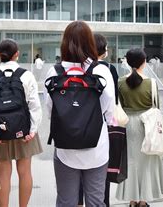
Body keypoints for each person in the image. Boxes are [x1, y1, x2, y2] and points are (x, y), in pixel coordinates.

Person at [44, 21, 115, 207]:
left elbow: (50, 109)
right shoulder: (101, 71)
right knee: (96, 201)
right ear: (90, 42)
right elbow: (109, 111)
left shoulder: (55, 71)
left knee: (66, 201)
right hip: (97, 147)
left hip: (65, 148)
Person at [0, 39, 43, 207]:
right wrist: (32, 130)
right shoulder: (26, 75)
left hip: (0, 130)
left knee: (3, 173)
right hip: (24, 130)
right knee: (25, 172)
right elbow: (34, 105)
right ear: (16, 54)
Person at [116, 48, 163, 207]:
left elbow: (120, 106)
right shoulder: (151, 83)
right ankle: (143, 201)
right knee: (146, 162)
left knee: (130, 161)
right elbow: (156, 105)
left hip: (128, 125)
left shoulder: (120, 82)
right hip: (147, 125)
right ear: (144, 62)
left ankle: (132, 201)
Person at [77, 33, 119, 207]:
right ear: (103, 50)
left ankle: (79, 201)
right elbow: (112, 101)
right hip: (101, 126)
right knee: (101, 174)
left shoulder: (78, 67)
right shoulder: (109, 69)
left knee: (76, 170)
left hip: (77, 125)